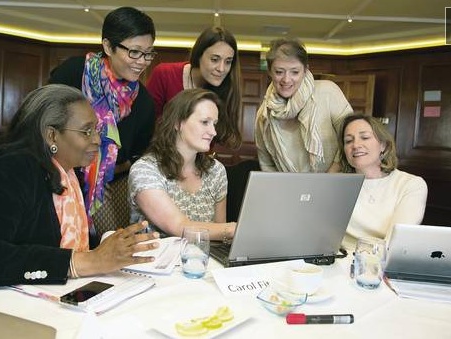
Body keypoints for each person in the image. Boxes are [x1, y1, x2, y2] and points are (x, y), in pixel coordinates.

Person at [0, 84, 159, 288]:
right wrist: (83, 262)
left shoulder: (69, 174)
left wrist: (113, 244)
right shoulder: (12, 170)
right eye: (86, 132)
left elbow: (62, 241)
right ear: (52, 136)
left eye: (96, 130)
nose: (97, 140)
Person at [47, 6, 156, 236]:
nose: (142, 61)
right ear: (108, 46)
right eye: (134, 52)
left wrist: (99, 171)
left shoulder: (143, 103)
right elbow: (44, 124)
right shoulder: (73, 73)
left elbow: (135, 156)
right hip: (53, 180)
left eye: (148, 53)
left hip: (107, 192)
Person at [128, 88, 236, 241]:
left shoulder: (216, 170)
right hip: (154, 261)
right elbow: (178, 226)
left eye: (214, 124)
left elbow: (220, 235)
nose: (213, 132)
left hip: (203, 260)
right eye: (205, 122)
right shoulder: (145, 170)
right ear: (178, 123)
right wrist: (235, 229)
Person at [255, 37, 353, 173]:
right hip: (291, 188)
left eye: (294, 72)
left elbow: (350, 137)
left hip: (333, 182)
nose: (286, 79)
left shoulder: (328, 92)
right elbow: (266, 163)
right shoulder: (264, 114)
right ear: (270, 72)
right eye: (279, 72)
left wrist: (328, 179)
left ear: (306, 70)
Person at [338, 114, 428, 251]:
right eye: (348, 141)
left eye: (365, 137)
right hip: (337, 262)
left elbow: (396, 242)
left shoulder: (411, 185)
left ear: (383, 145)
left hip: (383, 264)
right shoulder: (335, 184)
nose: (355, 145)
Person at [146, 26, 242, 149]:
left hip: (198, 161)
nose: (221, 69)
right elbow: (147, 126)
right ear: (198, 55)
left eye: (228, 62)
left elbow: (216, 138)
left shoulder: (226, 88)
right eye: (214, 59)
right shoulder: (165, 74)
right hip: (159, 156)